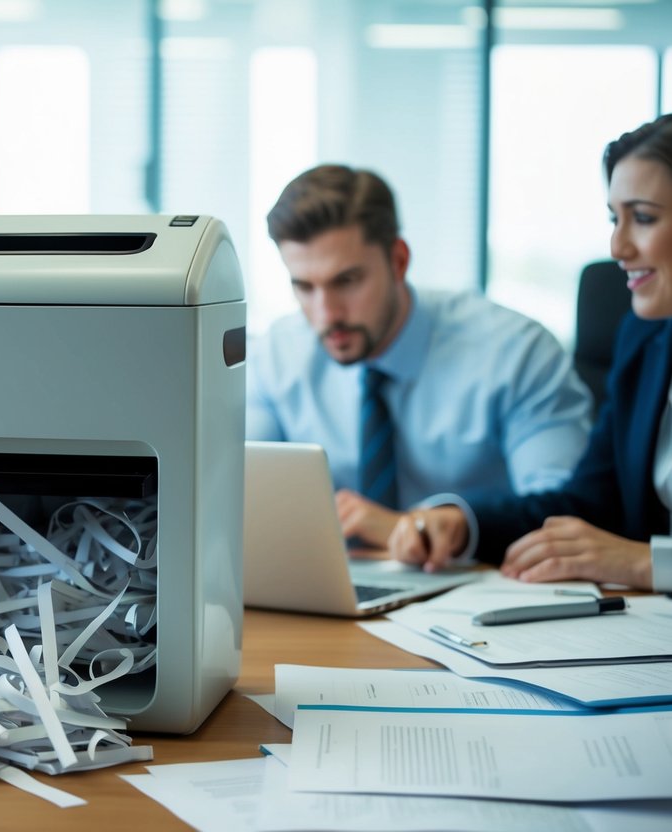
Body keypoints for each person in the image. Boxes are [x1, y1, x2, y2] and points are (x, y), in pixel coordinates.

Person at [391, 113, 672, 593]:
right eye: (613, 218)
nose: (617, 246)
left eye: (642, 218)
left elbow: (628, 554)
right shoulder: (644, 341)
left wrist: (649, 564)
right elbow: (589, 504)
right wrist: (462, 521)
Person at [247, 164, 594, 548]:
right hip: (336, 590)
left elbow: (568, 517)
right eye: (304, 287)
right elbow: (231, 488)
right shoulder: (275, 358)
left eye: (346, 281)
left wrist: (422, 526)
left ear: (398, 260)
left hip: (480, 585)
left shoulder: (516, 354)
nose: (326, 313)